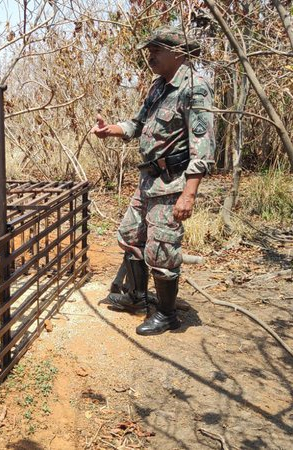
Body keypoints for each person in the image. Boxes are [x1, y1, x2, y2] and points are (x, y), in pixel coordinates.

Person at [91, 26, 215, 336]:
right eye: (150, 51)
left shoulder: (195, 88)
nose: (150, 56)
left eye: (156, 50)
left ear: (178, 52)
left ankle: (167, 314)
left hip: (171, 185)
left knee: (162, 249)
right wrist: (112, 130)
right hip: (147, 180)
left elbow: (203, 147)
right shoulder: (159, 87)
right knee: (130, 236)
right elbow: (136, 123)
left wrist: (189, 194)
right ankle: (135, 295)